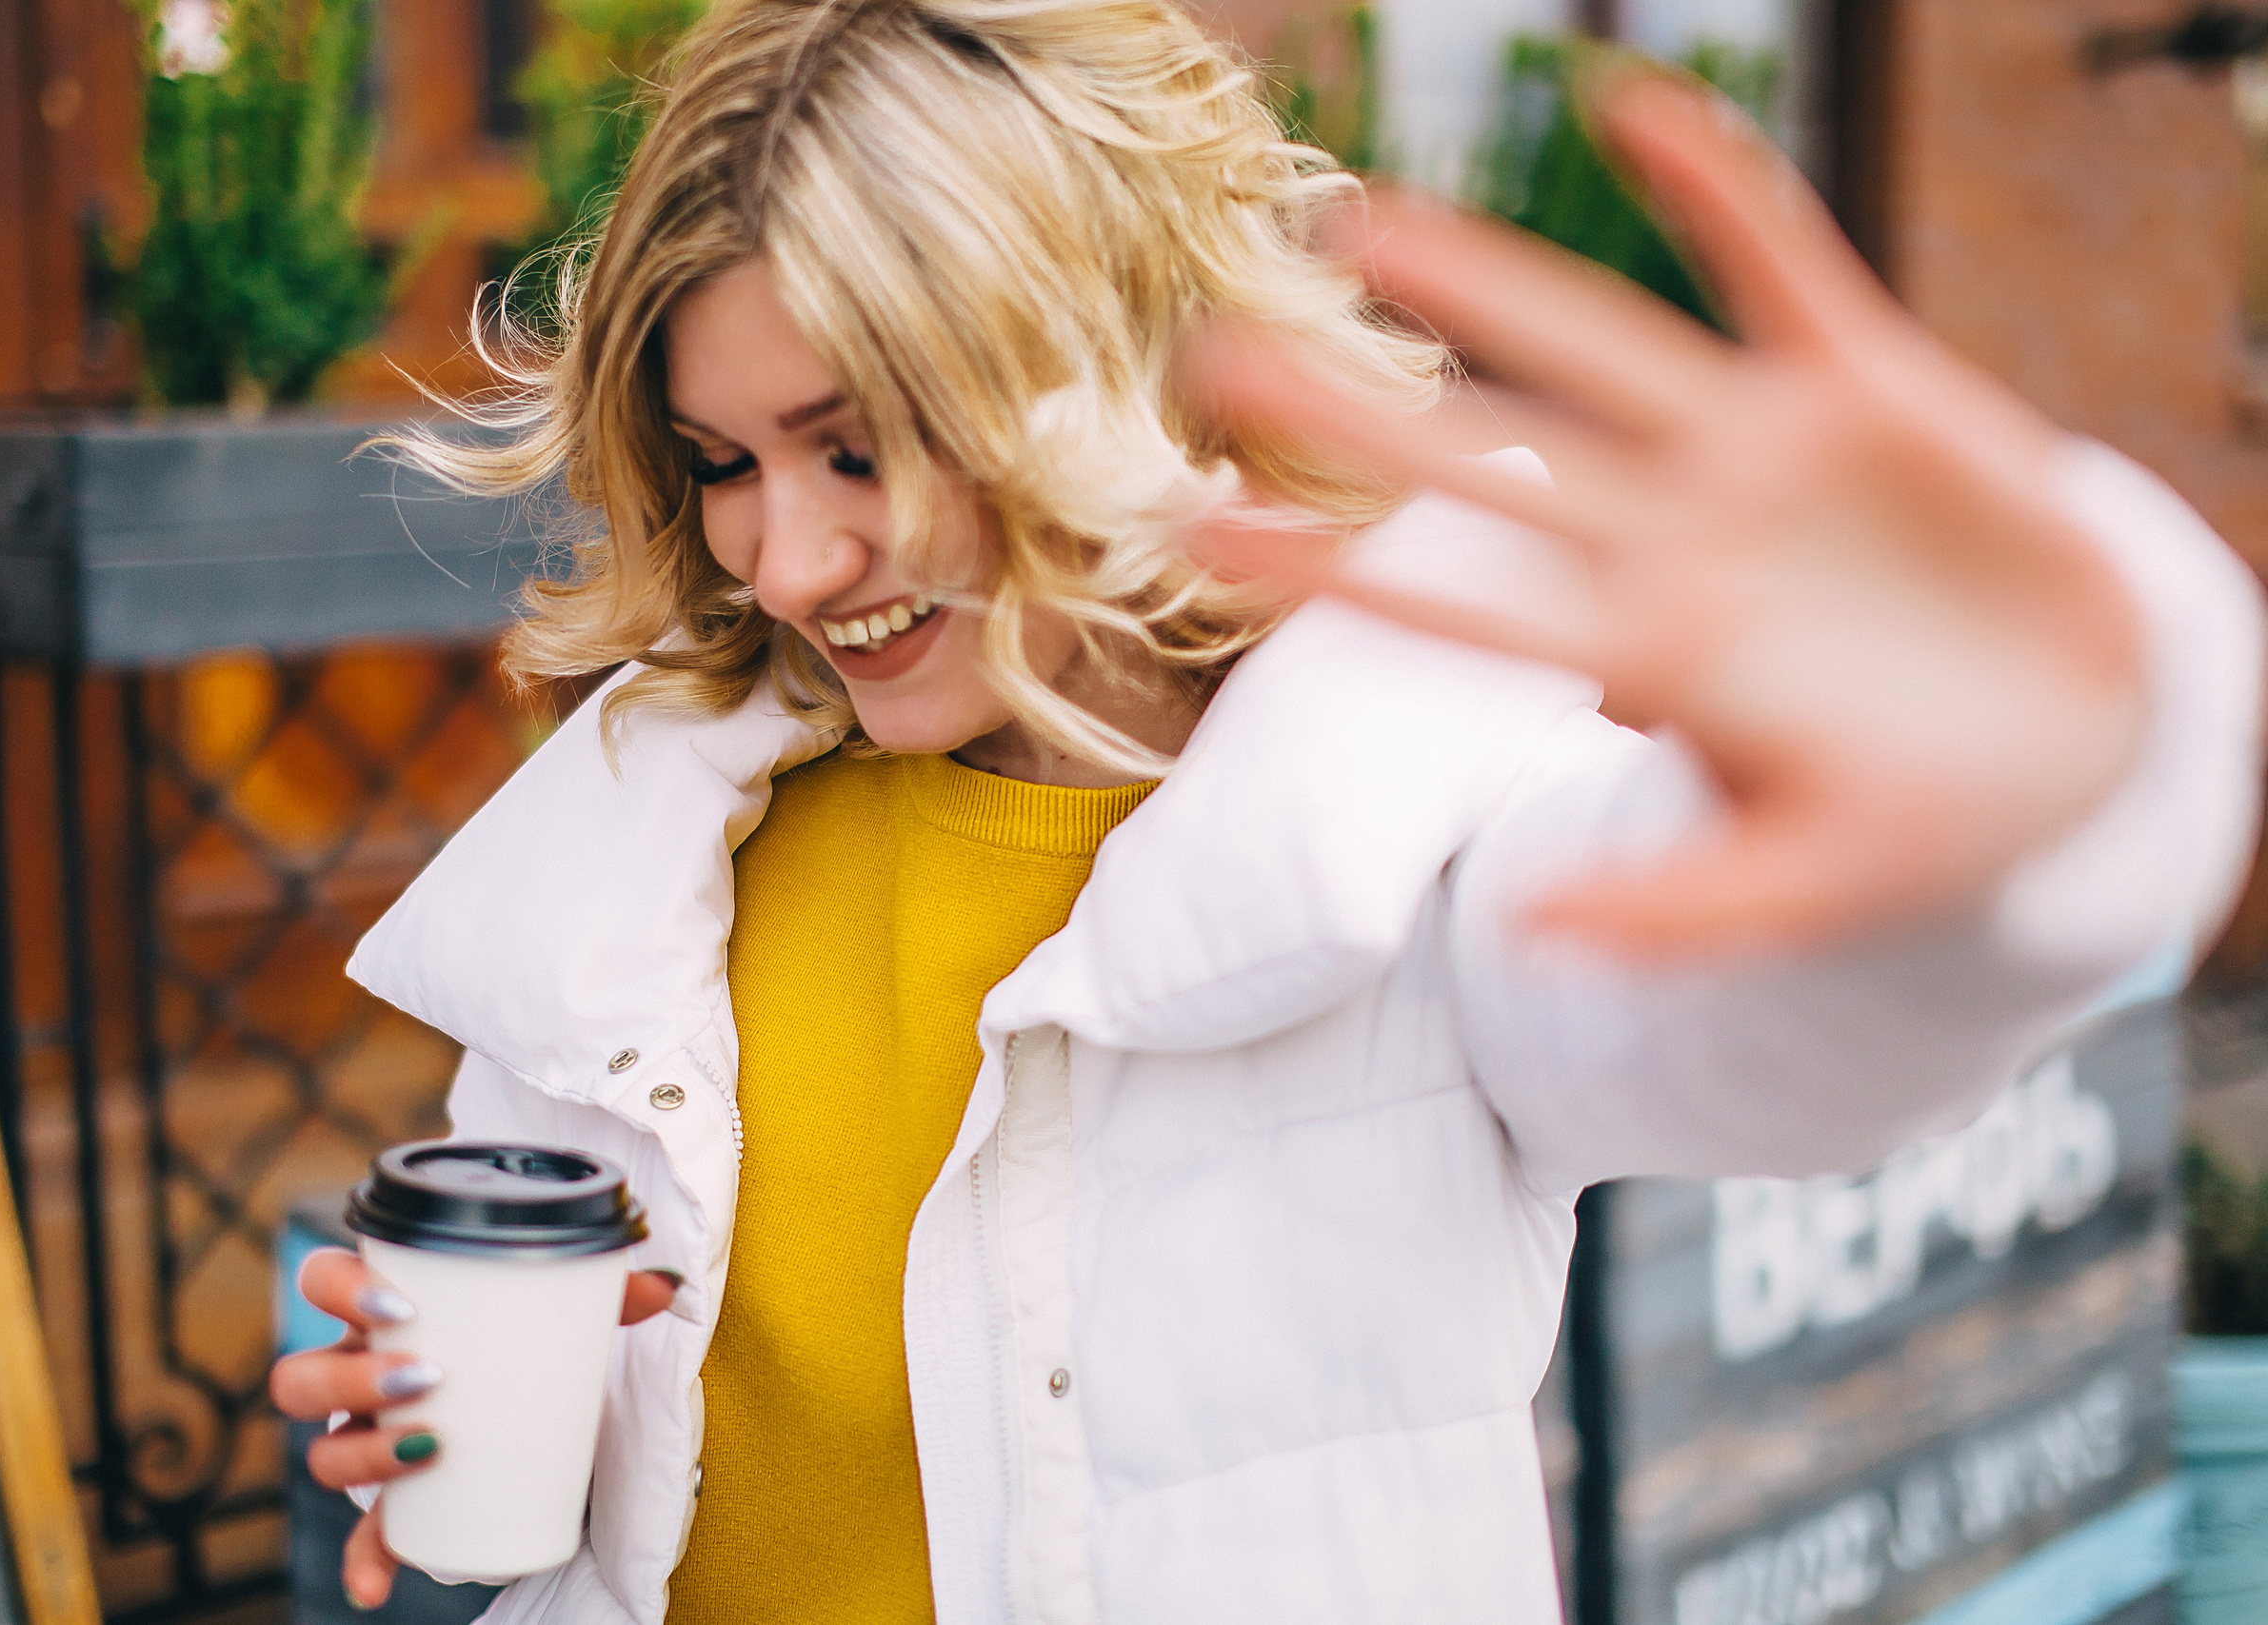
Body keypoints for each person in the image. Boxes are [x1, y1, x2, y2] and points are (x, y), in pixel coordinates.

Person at [267, 1, 2265, 1620]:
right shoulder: (642, 858)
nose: (784, 558)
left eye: (859, 447)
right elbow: (606, 1500)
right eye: (720, 462)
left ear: (1106, 367)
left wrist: (2061, 777)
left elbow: (1806, 1030)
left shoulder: (1421, 825)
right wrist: (459, 1437)